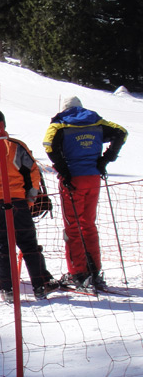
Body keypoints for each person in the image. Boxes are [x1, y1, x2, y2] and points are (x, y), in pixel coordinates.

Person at [0, 108, 56, 302]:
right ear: (3, 124)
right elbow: (33, 172)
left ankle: (7, 289)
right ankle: (40, 285)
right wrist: (31, 197)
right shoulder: (16, 145)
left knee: (2, 246)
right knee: (29, 244)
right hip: (18, 201)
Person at [43, 96, 127, 291]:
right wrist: (105, 160)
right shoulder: (96, 120)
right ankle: (94, 271)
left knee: (72, 227)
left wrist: (63, 170)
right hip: (93, 178)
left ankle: (78, 273)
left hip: (73, 180)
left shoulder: (59, 124)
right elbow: (121, 133)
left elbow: (48, 145)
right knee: (88, 224)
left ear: (64, 108)